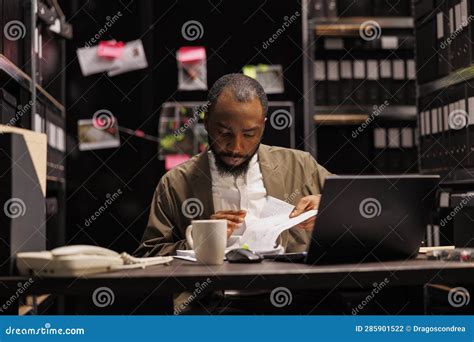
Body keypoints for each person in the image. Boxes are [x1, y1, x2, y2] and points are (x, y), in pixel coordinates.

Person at [134, 73, 331, 257]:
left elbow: (358, 209)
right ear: (206, 121)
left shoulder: (300, 167)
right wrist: (200, 239)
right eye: (225, 133)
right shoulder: (175, 184)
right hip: (212, 294)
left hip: (287, 292)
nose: (236, 148)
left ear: (263, 125)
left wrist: (328, 208)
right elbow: (148, 255)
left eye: (249, 135)